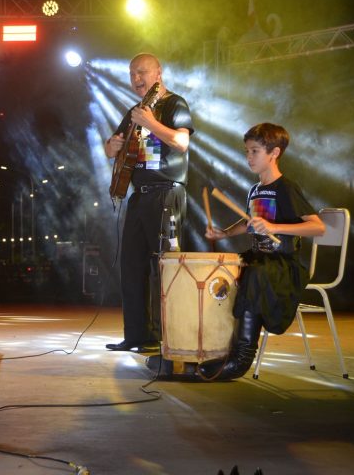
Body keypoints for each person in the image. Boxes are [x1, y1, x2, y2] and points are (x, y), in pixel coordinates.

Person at [195, 122, 325, 381]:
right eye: (246, 151)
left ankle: (241, 359)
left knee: (253, 274)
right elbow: (249, 223)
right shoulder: (255, 190)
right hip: (260, 260)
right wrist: (224, 234)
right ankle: (214, 347)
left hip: (281, 264)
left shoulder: (285, 188)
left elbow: (317, 227)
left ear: (274, 153)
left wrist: (274, 226)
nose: (248, 157)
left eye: (254, 151)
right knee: (223, 267)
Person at [103, 53, 194, 352]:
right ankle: (136, 335)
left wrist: (152, 123)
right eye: (132, 74)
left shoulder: (174, 104)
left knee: (162, 266)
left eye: (142, 72)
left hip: (166, 191)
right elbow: (109, 149)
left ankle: (161, 337)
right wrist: (112, 145)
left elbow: (181, 142)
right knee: (131, 265)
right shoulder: (135, 110)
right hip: (139, 195)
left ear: (158, 73)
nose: (137, 79)